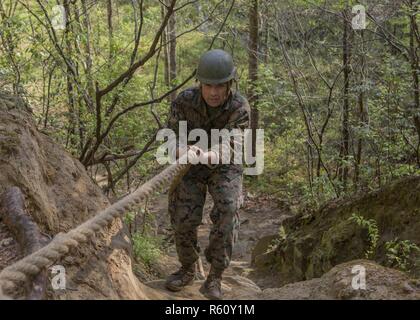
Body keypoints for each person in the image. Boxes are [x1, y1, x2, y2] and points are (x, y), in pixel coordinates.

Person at [164, 49, 251, 300]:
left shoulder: (239, 106)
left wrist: (215, 153)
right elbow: (170, 136)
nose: (214, 92)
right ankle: (188, 267)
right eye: (209, 85)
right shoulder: (183, 101)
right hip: (190, 163)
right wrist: (182, 149)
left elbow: (236, 140)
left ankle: (215, 276)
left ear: (229, 84)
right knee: (183, 214)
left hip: (224, 164)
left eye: (220, 86)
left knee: (228, 208)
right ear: (200, 83)